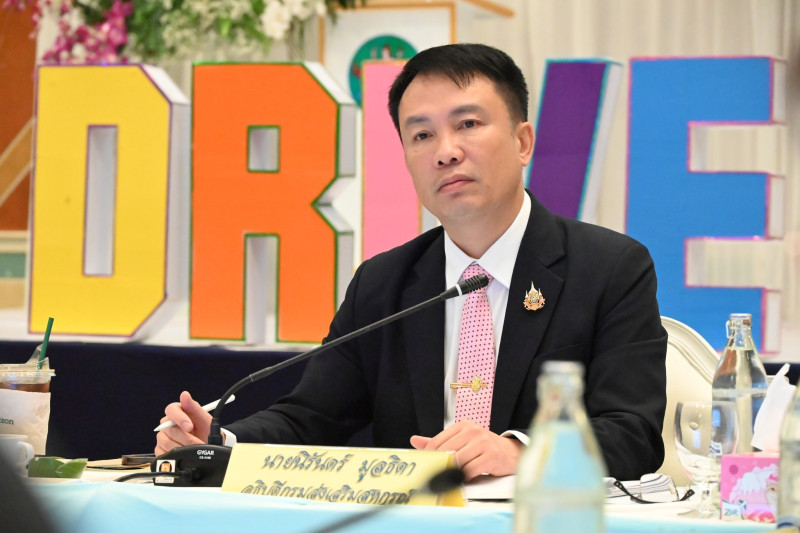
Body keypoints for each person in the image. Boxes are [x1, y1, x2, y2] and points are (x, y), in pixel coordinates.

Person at [156, 43, 667, 482]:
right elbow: (311, 417)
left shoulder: (609, 269)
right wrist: (219, 442)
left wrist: (520, 452)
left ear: (522, 142)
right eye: (421, 135)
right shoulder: (383, 283)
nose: (446, 152)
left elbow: (633, 434)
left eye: (468, 124)